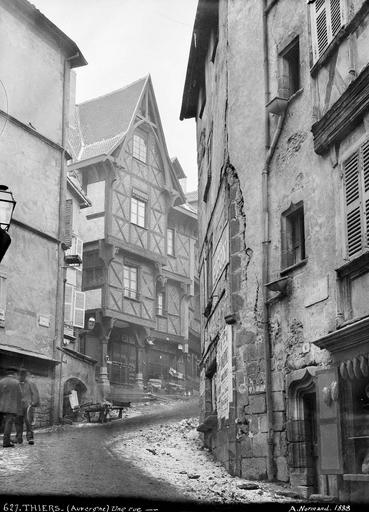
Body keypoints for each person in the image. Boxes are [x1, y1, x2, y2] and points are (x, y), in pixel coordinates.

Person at [14, 369, 40, 445]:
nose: (20, 377)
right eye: (19, 375)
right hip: (18, 407)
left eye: (22, 375)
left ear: (25, 376)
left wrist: (33, 403)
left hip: (28, 407)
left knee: (29, 422)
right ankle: (18, 438)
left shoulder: (31, 383)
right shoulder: (17, 384)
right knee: (18, 422)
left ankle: (30, 438)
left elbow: (35, 394)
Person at [0, 367, 22, 448]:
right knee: (8, 425)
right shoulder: (16, 383)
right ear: (14, 374)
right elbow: (20, 397)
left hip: (1, 406)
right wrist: (19, 409)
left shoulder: (1, 381)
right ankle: (6, 442)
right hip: (11, 408)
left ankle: (6, 441)